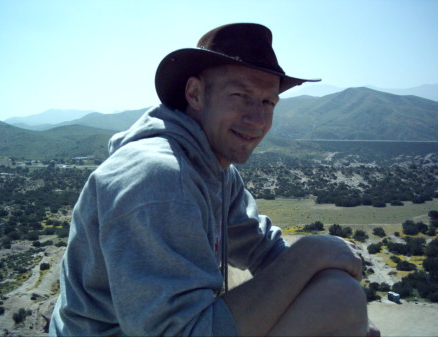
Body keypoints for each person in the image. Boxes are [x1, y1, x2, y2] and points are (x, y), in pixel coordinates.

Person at [49, 23, 380, 336]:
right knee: (339, 298)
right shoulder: (159, 178)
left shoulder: (216, 171)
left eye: (268, 102)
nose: (258, 119)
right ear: (195, 94)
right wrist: (310, 254)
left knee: (334, 294)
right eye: (240, 96)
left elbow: (262, 250)